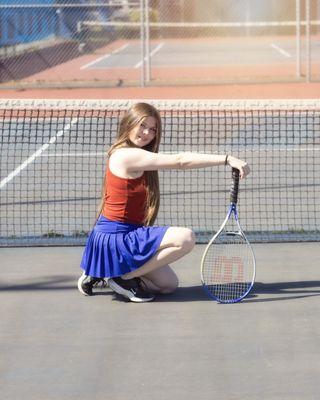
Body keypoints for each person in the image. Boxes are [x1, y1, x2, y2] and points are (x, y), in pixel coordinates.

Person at [78, 102, 250, 303]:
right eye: (142, 126)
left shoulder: (134, 154)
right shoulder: (126, 155)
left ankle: (105, 273)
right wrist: (227, 158)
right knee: (186, 238)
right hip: (118, 238)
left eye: (152, 129)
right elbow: (180, 161)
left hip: (118, 237)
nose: (147, 133)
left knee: (168, 286)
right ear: (129, 123)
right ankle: (122, 277)